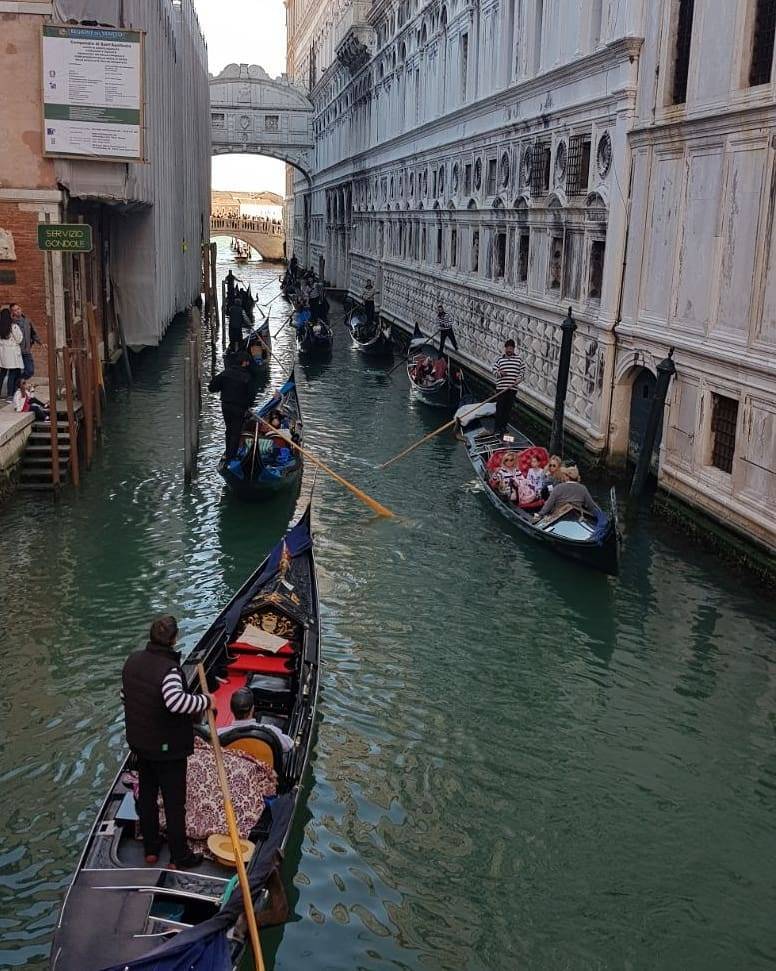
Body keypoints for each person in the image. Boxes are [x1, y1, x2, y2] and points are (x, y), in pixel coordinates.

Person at [121, 615, 214, 869]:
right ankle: (180, 856)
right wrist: (206, 701)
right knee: (174, 804)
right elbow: (176, 702)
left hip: (141, 745)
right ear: (173, 640)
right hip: (167, 750)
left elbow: (125, 695)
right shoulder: (169, 670)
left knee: (148, 798)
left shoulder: (133, 661)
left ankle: (151, 848)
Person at [217, 687, 294, 753]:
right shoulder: (272, 732)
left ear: (231, 709)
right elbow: (289, 745)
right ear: (253, 708)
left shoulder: (218, 734)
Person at [208, 351, 254, 460]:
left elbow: (212, 387)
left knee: (229, 429)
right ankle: (231, 456)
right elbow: (251, 396)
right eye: (247, 362)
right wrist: (248, 407)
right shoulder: (247, 377)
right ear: (244, 362)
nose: (248, 364)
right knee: (236, 431)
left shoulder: (226, 373)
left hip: (226, 406)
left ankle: (227, 454)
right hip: (239, 408)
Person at [533, 468, 601, 522]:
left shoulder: (558, 487)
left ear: (567, 477)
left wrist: (540, 514)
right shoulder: (583, 488)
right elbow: (591, 506)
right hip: (576, 518)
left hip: (557, 516)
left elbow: (549, 504)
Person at [492, 339, 526, 435]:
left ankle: (503, 428)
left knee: (507, 409)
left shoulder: (519, 359)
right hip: (501, 388)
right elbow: (494, 371)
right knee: (500, 408)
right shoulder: (500, 359)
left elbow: (523, 371)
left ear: (514, 349)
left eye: (511, 348)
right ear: (505, 348)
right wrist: (500, 373)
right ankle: (497, 428)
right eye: (508, 348)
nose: (509, 350)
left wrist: (518, 379)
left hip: (512, 389)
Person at [10, 303, 40, 380]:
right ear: (12, 312)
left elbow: (33, 333)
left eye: (18, 309)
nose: (17, 311)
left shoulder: (27, 320)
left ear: (21, 309)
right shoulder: (11, 323)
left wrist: (40, 342)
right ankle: (16, 388)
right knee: (16, 372)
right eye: (15, 310)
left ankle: (18, 381)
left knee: (30, 371)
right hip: (16, 352)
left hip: (27, 351)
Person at [0, 307, 23, 401]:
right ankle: (10, 395)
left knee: (2, 374)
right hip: (12, 354)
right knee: (12, 374)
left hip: (3, 354)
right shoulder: (13, 326)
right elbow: (19, 339)